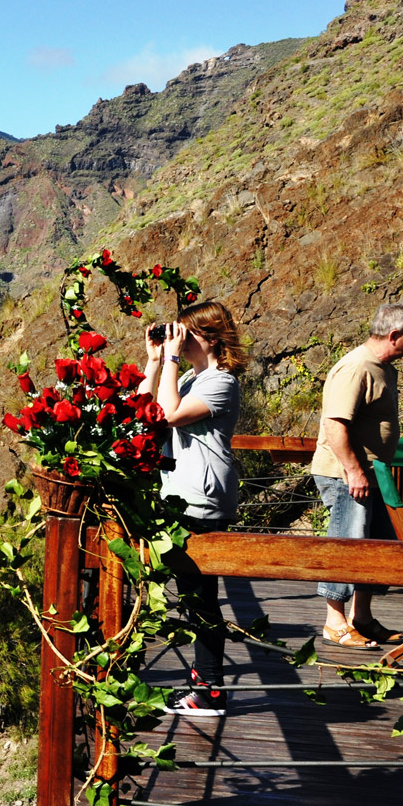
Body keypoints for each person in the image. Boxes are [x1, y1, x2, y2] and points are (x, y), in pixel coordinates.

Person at [138, 301, 248, 716]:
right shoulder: (189, 376)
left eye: (186, 333)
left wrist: (168, 359)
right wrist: (154, 362)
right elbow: (143, 411)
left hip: (202, 500)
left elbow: (170, 414)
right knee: (195, 598)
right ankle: (206, 687)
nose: (178, 341)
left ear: (211, 337)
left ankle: (210, 689)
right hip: (180, 496)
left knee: (200, 599)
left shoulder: (222, 382)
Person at [312, 304, 403, 648]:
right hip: (347, 476)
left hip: (370, 474)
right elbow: (334, 423)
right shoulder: (356, 367)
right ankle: (334, 622)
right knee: (348, 544)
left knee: (373, 547)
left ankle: (362, 618)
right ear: (394, 336)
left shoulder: (384, 368)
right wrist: (353, 470)